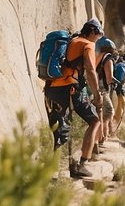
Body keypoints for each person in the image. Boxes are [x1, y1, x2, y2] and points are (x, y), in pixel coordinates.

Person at [43, 18, 105, 178]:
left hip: (51, 88)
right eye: (98, 35)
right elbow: (91, 71)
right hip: (69, 89)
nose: (98, 39)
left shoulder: (72, 41)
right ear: (92, 31)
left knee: (59, 128)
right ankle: (81, 164)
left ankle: (56, 170)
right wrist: (97, 96)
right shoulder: (87, 44)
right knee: (95, 121)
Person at [94, 37, 118, 142]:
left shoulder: (97, 56)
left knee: (99, 113)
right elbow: (109, 78)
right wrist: (118, 82)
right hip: (102, 90)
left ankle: (101, 138)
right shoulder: (108, 59)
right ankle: (101, 138)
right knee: (108, 112)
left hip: (93, 87)